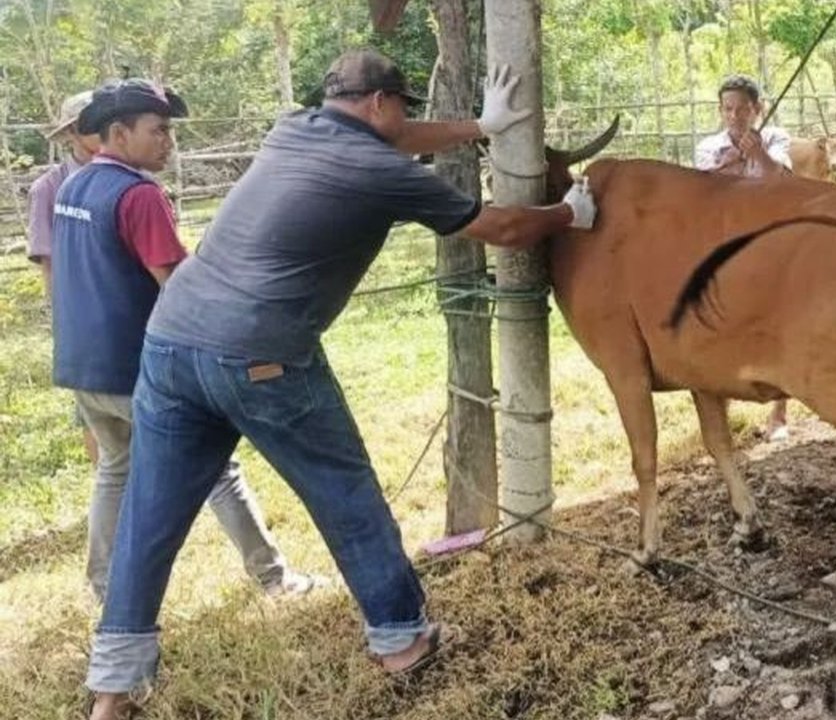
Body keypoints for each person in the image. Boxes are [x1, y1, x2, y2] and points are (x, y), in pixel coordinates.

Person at [85, 49, 596, 720]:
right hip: (262, 354)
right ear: (382, 103)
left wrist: (479, 126)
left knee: (149, 517)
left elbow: (394, 135)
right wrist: (568, 214)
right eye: (401, 108)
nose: (403, 122)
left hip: (171, 341)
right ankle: (401, 640)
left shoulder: (294, 126)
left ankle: (113, 689)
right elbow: (498, 226)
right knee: (344, 494)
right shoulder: (383, 171)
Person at [49, 79, 316, 607]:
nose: (168, 141)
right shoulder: (139, 194)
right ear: (119, 133)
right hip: (134, 365)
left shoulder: (73, 186)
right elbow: (176, 283)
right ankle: (273, 578)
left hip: (81, 364)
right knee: (217, 467)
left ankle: (103, 587)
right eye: (158, 130)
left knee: (114, 469)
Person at [693, 74, 793, 441]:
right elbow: (705, 190)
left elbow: (779, 181)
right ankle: (724, 406)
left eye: (743, 109)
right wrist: (733, 162)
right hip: (723, 242)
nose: (735, 116)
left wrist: (758, 155)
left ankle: (780, 415)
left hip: (771, 241)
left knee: (779, 324)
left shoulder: (776, 138)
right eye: (728, 109)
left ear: (757, 110)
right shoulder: (708, 146)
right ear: (720, 111)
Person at [27, 90, 101, 466]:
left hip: (134, 310)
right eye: (93, 123)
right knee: (94, 416)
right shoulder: (49, 189)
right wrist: (68, 321)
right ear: (72, 133)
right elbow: (49, 263)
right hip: (84, 318)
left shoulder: (132, 175)